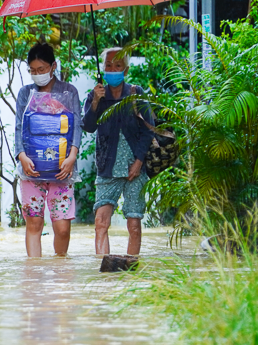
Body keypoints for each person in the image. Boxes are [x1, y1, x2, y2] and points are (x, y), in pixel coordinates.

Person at [81, 48, 155, 256]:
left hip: (134, 168)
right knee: (100, 223)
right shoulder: (96, 95)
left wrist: (139, 162)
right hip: (107, 167)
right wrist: (96, 101)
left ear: (126, 69)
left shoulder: (135, 93)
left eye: (118, 66)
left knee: (133, 224)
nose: (112, 69)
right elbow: (88, 126)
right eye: (108, 65)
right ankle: (105, 269)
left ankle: (131, 270)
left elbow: (149, 130)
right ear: (103, 68)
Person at [15, 42, 82, 257]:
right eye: (32, 71)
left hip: (62, 168)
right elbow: (19, 127)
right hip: (31, 169)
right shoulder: (25, 93)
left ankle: (60, 272)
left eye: (41, 70)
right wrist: (22, 156)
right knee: (34, 222)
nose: (37, 74)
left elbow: (77, 126)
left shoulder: (69, 92)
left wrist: (72, 156)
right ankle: (33, 277)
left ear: (53, 66)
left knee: (62, 228)